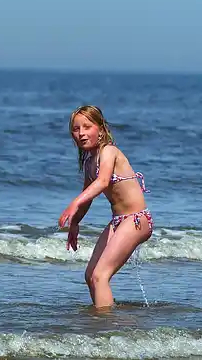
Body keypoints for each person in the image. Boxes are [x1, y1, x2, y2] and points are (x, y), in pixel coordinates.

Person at [58, 105, 153, 309]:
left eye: (87, 127)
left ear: (101, 129)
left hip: (137, 219)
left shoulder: (109, 151)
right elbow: (89, 196)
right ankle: (105, 316)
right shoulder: (90, 162)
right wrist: (75, 223)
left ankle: (107, 330)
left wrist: (73, 203)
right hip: (119, 221)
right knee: (91, 275)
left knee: (101, 275)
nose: (81, 133)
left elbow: (101, 182)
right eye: (76, 129)